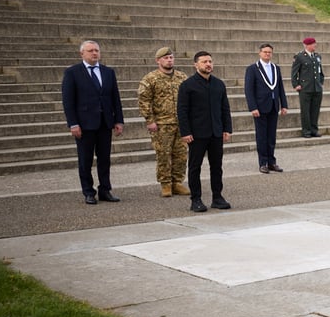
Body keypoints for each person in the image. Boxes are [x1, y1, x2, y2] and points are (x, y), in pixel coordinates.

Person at [62, 40, 124, 204]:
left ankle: (105, 189)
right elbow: (68, 101)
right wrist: (73, 123)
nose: (94, 53)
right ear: (82, 53)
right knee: (85, 160)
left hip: (105, 123)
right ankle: (88, 192)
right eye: (90, 51)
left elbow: (115, 98)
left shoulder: (108, 72)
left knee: (105, 159)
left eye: (96, 50)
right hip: (84, 124)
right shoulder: (73, 72)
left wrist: (118, 120)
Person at [177, 51, 233, 213]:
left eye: (210, 61)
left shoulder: (219, 84)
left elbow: (225, 108)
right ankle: (196, 199)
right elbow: (182, 110)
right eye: (204, 62)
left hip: (216, 132)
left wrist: (227, 129)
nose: (208, 64)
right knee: (195, 167)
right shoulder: (187, 85)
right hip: (197, 134)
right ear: (196, 65)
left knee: (217, 166)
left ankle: (217, 197)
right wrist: (185, 132)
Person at [136, 46, 189, 197]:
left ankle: (177, 182)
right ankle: (165, 184)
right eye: (166, 58)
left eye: (171, 57)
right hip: (161, 123)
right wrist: (149, 120)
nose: (169, 60)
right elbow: (144, 100)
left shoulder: (181, 77)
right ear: (158, 60)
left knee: (181, 154)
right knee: (163, 154)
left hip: (180, 123)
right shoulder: (150, 78)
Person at [245, 43, 288, 174]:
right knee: (262, 136)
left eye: (269, 52)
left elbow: (280, 87)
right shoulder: (253, 69)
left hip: (273, 106)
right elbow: (249, 90)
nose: (267, 54)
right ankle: (262, 162)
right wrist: (253, 107)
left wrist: (284, 104)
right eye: (265, 52)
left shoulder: (276, 68)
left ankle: (271, 162)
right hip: (260, 107)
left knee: (271, 136)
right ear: (260, 53)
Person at [291, 37, 324, 138]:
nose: (315, 45)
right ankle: (306, 131)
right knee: (305, 111)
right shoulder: (300, 56)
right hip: (305, 88)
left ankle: (314, 130)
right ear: (307, 45)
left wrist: (321, 82)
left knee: (315, 110)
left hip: (316, 88)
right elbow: (294, 72)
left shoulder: (317, 56)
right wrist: (296, 84)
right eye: (313, 44)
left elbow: (320, 71)